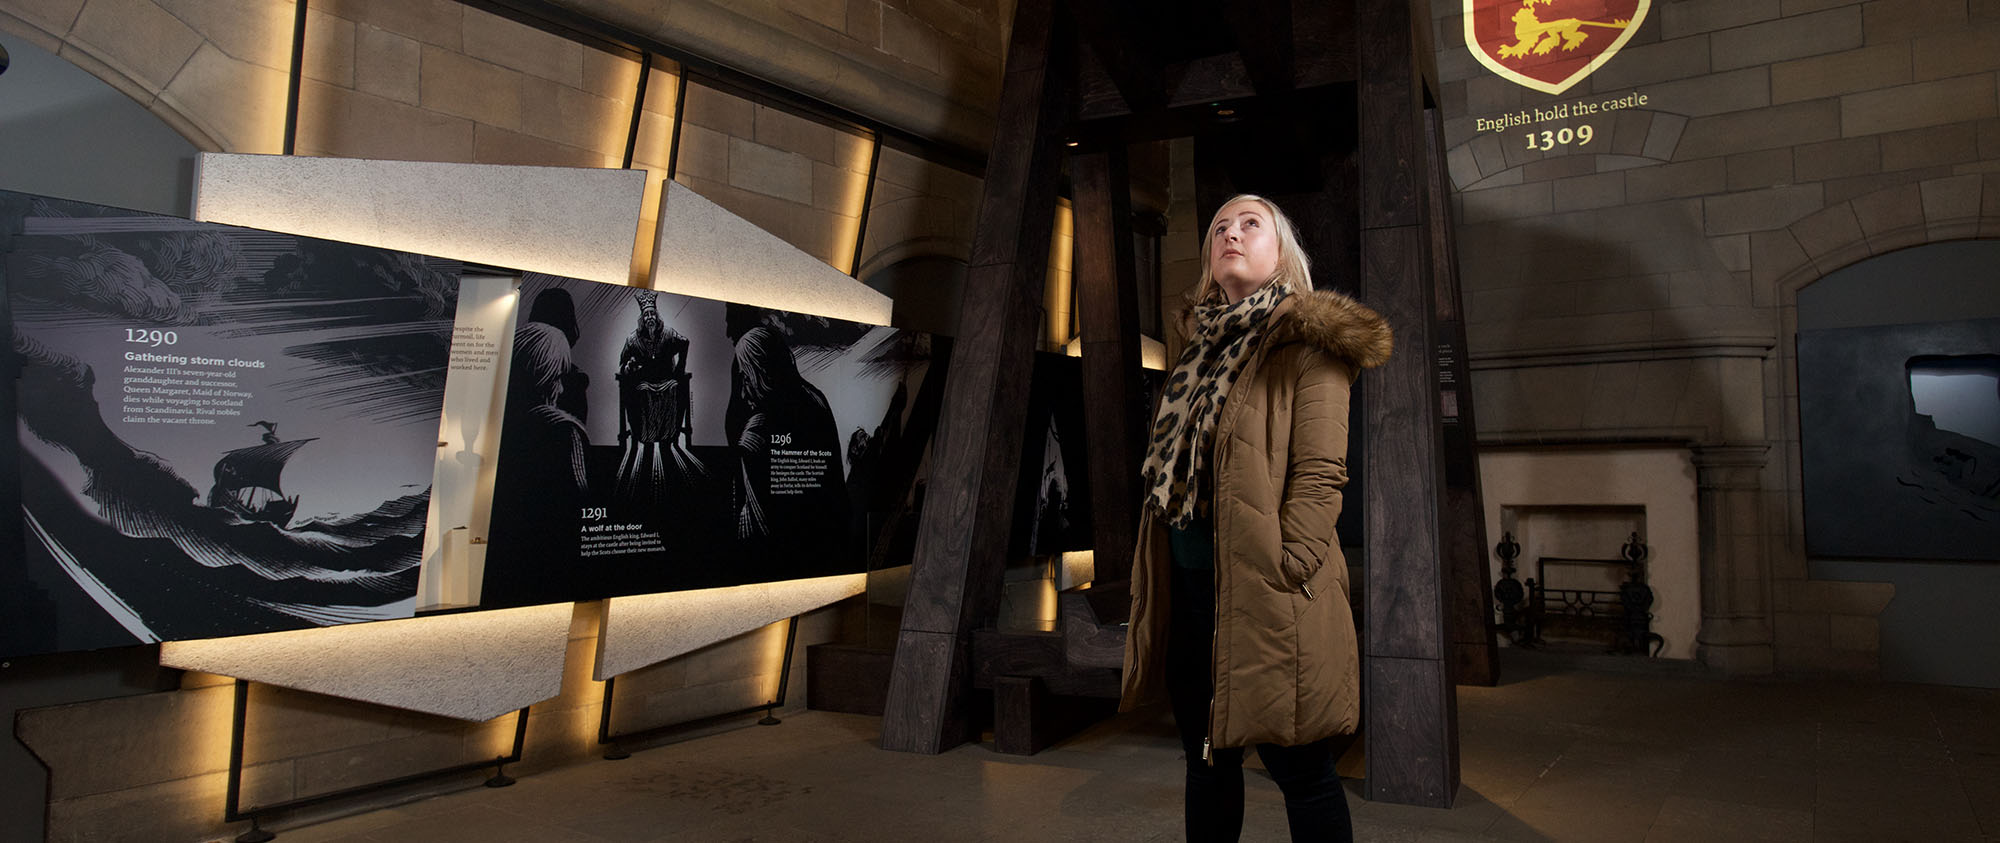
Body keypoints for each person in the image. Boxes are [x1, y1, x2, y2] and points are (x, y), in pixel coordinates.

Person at [1120, 194, 1392, 842]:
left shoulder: (1308, 342)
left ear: (1282, 255)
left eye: (1249, 224)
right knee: (1207, 760)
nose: (1230, 234)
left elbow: (1322, 476)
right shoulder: (1198, 351)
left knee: (1303, 772)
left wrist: (1286, 566)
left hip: (1270, 597)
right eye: (1219, 227)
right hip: (1192, 596)